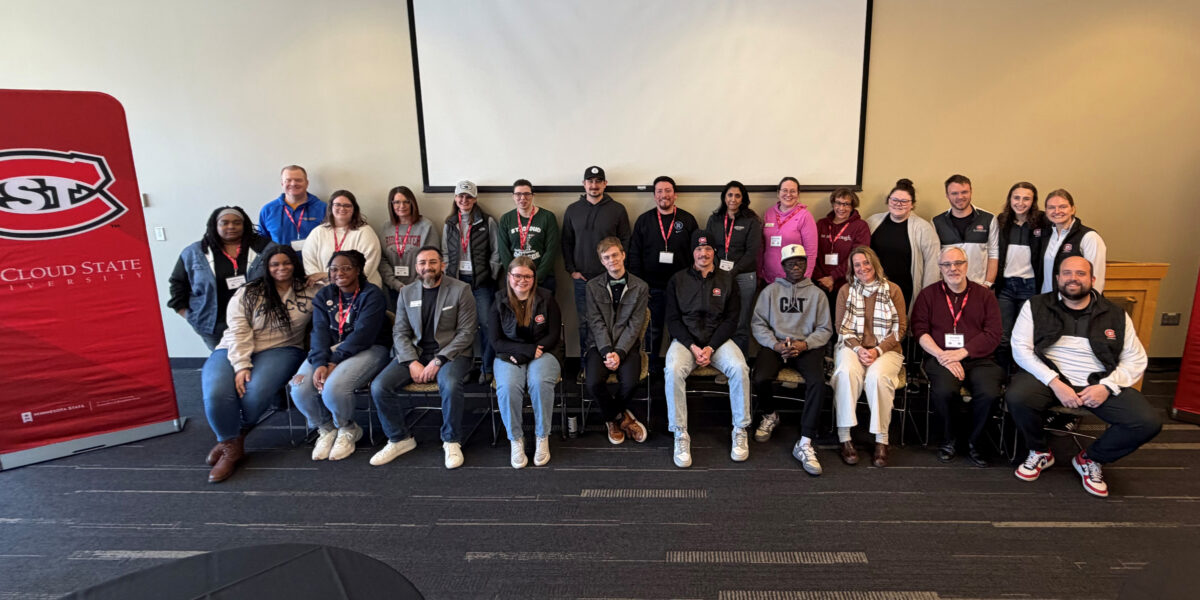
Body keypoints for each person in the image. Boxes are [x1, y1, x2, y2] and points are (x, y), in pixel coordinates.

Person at [1009, 256, 1160, 498]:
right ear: (1057, 278)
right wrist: (1054, 382)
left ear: (1093, 279)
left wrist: (1107, 386)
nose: (1073, 278)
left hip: (1098, 381)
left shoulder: (1115, 314)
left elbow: (1136, 359)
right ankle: (1039, 451)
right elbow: (1020, 348)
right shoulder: (1036, 305)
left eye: (1080, 274)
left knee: (1147, 422)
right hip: (1049, 376)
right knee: (1017, 397)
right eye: (1067, 273)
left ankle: (1091, 458)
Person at [201, 245, 317, 483]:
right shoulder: (249, 292)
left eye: (287, 263)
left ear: (295, 264)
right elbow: (238, 330)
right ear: (266, 266)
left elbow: (345, 278)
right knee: (216, 395)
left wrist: (323, 274)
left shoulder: (310, 289)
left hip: (282, 348)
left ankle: (233, 439)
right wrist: (241, 365)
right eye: (275, 264)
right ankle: (230, 443)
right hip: (233, 348)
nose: (281, 268)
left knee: (254, 394)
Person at [369, 246, 476, 470]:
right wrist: (412, 362)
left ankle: (451, 440)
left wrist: (438, 360)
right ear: (416, 267)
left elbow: (467, 332)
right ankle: (399, 438)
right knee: (379, 386)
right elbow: (400, 332)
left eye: (432, 262)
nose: (428, 267)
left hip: (451, 354)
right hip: (415, 354)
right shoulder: (406, 293)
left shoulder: (460, 289)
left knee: (450, 384)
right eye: (422, 263)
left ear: (442, 265)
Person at [290, 250, 391, 462]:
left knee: (333, 388)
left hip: (369, 348)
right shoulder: (324, 296)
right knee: (299, 387)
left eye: (346, 268)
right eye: (334, 269)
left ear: (358, 270)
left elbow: (363, 335)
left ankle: (347, 428)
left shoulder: (371, 294)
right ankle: (327, 428)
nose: (339, 273)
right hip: (330, 350)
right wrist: (320, 362)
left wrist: (333, 362)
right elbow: (319, 332)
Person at [910, 247, 1004, 467]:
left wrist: (961, 353)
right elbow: (919, 331)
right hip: (940, 356)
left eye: (958, 263)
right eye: (946, 264)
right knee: (944, 390)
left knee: (989, 393)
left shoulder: (985, 295)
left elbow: (993, 333)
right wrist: (943, 356)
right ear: (940, 268)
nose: (953, 268)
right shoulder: (928, 295)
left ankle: (975, 442)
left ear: (966, 265)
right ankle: (949, 438)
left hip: (979, 358)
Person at [664, 232, 750, 468]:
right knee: (672, 370)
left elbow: (731, 320)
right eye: (699, 249)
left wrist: (711, 347)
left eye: (708, 249)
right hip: (686, 342)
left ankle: (740, 429)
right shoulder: (677, 280)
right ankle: (680, 433)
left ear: (715, 252)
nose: (704, 254)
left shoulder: (727, 280)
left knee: (740, 367)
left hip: (718, 342)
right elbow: (672, 320)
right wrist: (692, 346)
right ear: (693, 253)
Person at [751, 244, 833, 475]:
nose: (796, 266)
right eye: (791, 263)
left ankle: (806, 439)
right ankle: (770, 414)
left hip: (806, 346)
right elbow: (758, 324)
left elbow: (825, 328)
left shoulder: (818, 294)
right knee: (760, 377)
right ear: (783, 266)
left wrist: (805, 344)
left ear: (806, 265)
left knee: (817, 382)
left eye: (800, 262)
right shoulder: (770, 292)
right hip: (777, 345)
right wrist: (775, 344)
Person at [831, 246, 907, 468]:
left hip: (887, 349)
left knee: (877, 377)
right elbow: (840, 327)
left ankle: (882, 440)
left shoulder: (893, 290)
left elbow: (901, 329)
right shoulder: (846, 290)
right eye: (857, 265)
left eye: (866, 262)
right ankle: (845, 437)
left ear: (875, 264)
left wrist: (877, 350)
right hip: (852, 346)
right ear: (852, 269)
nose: (862, 268)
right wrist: (858, 349)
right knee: (846, 372)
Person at [489, 257, 564, 468]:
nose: (522, 280)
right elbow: (495, 341)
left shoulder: (547, 298)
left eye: (528, 276)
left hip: (545, 351)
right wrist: (526, 351)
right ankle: (516, 439)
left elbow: (554, 334)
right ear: (509, 277)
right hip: (509, 354)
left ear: (534, 278)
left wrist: (529, 353)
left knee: (539, 383)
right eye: (517, 275)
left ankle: (542, 436)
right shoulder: (498, 300)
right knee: (508, 387)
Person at [168, 206, 273, 350]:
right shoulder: (195, 252)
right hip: (214, 325)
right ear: (215, 225)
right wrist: (188, 315)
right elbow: (178, 283)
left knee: (256, 360)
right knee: (223, 359)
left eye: (237, 222)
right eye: (224, 223)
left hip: (257, 321)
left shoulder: (265, 248)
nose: (231, 226)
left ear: (245, 225)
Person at [584, 237, 651, 445]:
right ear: (601, 261)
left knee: (631, 382)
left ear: (623, 255)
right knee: (593, 382)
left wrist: (619, 352)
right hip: (599, 346)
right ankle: (621, 417)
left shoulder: (640, 286)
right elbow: (595, 322)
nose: (611, 260)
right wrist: (607, 352)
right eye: (606, 257)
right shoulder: (592, 286)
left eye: (615, 255)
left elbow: (635, 324)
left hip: (627, 346)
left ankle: (611, 417)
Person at [561, 166, 632, 359]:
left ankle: (612, 361)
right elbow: (566, 242)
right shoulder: (573, 210)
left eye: (598, 181)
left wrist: (617, 270)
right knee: (586, 323)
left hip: (611, 278)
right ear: (584, 184)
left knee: (613, 322)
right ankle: (587, 364)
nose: (594, 185)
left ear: (605, 184)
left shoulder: (617, 209)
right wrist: (572, 270)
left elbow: (626, 241)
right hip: (582, 279)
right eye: (590, 181)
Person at [628, 175, 698, 359]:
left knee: (680, 330)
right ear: (654, 196)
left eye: (668, 191)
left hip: (681, 288)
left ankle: (678, 365)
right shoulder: (644, 220)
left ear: (675, 195)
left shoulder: (687, 220)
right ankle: (651, 367)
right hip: (651, 288)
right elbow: (634, 255)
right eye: (659, 191)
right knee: (652, 330)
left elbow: (697, 254)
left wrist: (693, 283)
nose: (664, 195)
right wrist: (641, 286)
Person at [442, 179, 501, 384]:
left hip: (482, 283)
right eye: (461, 196)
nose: (464, 200)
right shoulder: (449, 223)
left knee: (486, 324)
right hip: (457, 283)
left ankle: (487, 367)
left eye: (468, 196)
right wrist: (449, 277)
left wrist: (490, 274)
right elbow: (445, 252)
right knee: (462, 327)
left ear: (475, 199)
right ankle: (465, 367)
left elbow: (496, 252)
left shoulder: (487, 221)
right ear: (455, 198)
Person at [703, 180, 763, 354]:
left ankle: (740, 361)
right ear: (724, 197)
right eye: (730, 195)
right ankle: (720, 359)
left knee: (741, 321)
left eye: (737, 195)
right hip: (718, 275)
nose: (733, 199)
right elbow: (708, 247)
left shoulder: (751, 220)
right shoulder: (714, 219)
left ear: (743, 199)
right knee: (718, 318)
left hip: (744, 276)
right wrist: (719, 270)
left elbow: (752, 252)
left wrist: (732, 271)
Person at [866, 178, 941, 311]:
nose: (898, 204)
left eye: (904, 201)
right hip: (874, 290)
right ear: (888, 200)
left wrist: (928, 296)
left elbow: (933, 266)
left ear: (912, 204)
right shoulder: (872, 222)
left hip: (906, 292)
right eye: (894, 200)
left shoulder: (923, 228)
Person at [994, 182, 1046, 369]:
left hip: (1030, 287)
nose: (1021, 203)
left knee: (1025, 336)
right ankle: (1002, 375)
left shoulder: (1043, 222)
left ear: (1033, 201)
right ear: (1010, 199)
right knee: (1003, 336)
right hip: (1006, 287)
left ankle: (1021, 374)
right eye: (1016, 198)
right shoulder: (1001, 221)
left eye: (1026, 199)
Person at [302, 190, 383, 289]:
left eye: (347, 206)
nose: (342, 208)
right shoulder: (318, 232)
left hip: (361, 290)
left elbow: (368, 265)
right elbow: (309, 262)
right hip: (325, 290)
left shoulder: (365, 232)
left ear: (354, 209)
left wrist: (326, 275)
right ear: (331, 207)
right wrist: (328, 286)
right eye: (337, 205)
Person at [814, 188, 871, 323]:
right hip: (819, 283)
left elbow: (857, 257)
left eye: (846, 204)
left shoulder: (860, 226)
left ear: (852, 206)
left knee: (841, 323)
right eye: (838, 203)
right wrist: (820, 278)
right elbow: (812, 252)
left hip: (845, 284)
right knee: (819, 322)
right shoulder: (821, 224)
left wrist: (833, 278)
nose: (841, 208)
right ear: (833, 204)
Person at [932, 174, 999, 288]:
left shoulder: (988, 219)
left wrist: (987, 284)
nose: (960, 197)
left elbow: (993, 253)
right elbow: (935, 258)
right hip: (949, 287)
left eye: (964, 192)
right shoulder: (937, 222)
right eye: (954, 193)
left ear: (971, 192)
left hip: (979, 286)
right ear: (947, 195)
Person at [1037, 189, 1107, 294]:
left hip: (1074, 301)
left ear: (1073, 209)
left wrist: (1091, 302)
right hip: (1047, 299)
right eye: (1051, 207)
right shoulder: (1045, 235)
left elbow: (1096, 278)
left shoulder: (1089, 237)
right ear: (1046, 211)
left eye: (1062, 207)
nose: (1057, 211)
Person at [378, 185, 440, 301]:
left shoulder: (426, 226)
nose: (402, 206)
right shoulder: (386, 228)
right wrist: (395, 284)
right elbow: (382, 260)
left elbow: (432, 260)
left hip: (421, 287)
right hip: (392, 289)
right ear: (391, 204)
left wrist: (414, 285)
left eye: (406, 202)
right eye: (397, 202)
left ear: (412, 203)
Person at [498, 179, 559, 293]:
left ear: (532, 196)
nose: (522, 198)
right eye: (518, 194)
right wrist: (515, 276)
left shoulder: (547, 217)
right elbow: (503, 251)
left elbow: (551, 250)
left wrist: (537, 277)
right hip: (516, 280)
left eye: (526, 194)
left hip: (543, 278)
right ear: (513, 196)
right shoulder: (506, 219)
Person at [759, 176, 818, 285]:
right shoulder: (769, 213)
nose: (788, 194)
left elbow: (811, 252)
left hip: (794, 280)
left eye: (793, 191)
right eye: (785, 190)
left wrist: (805, 279)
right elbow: (762, 246)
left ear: (798, 194)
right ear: (778, 193)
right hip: (768, 278)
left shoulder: (805, 216)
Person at [257, 165, 326, 252]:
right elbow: (262, 243)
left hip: (313, 260)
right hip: (280, 260)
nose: (293, 184)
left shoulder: (323, 209)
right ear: (282, 184)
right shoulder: (268, 210)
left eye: (298, 180)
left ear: (307, 183)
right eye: (288, 180)